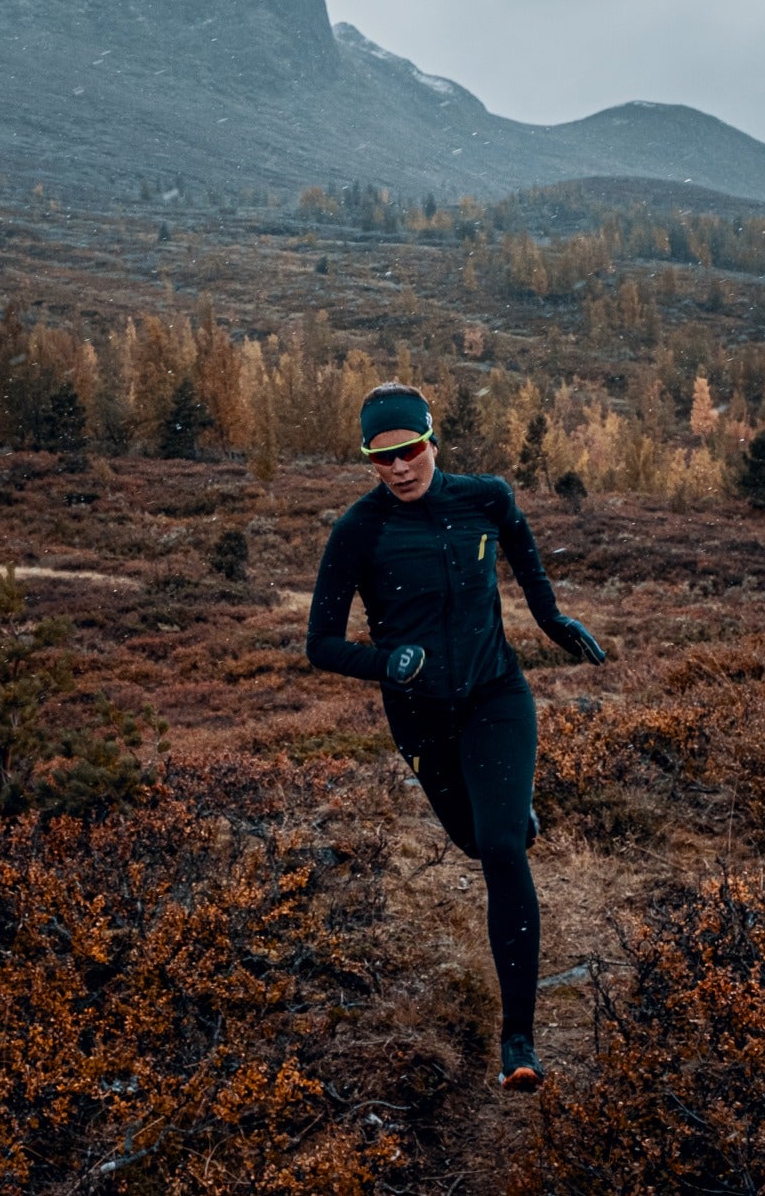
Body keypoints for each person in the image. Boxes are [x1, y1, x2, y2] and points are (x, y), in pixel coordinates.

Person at [304, 382, 605, 1092]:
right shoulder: (359, 531)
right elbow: (319, 643)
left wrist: (552, 620)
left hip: (496, 693)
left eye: (409, 451)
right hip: (420, 719)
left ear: (432, 441)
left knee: (500, 851)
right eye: (382, 460)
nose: (400, 469)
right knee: (475, 839)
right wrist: (387, 664)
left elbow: (522, 544)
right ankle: (509, 815)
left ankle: (519, 1041)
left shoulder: (485, 497)